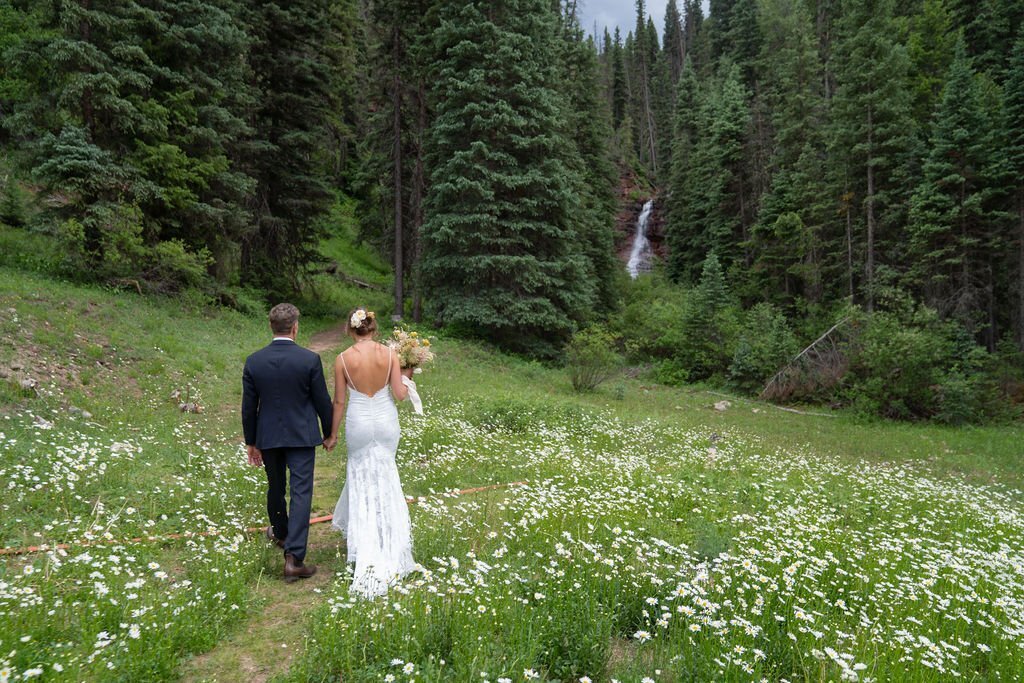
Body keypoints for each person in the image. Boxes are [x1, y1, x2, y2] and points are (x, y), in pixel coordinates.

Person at [326, 306, 418, 598]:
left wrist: (332, 434)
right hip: (386, 420)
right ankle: (390, 542)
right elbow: (400, 396)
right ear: (374, 329)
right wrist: (408, 374)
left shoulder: (342, 360)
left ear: (350, 330)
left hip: (360, 422)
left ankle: (365, 542)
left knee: (362, 476)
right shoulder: (390, 355)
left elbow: (339, 402)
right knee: (387, 474)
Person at [242, 303, 333, 582]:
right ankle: (293, 558)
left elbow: (249, 406)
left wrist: (251, 442)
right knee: (301, 491)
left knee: (276, 487)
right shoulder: (309, 360)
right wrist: (329, 432)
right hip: (301, 436)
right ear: (295, 327)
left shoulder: (254, 361)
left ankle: (281, 533)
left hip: (268, 437)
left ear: (271, 327)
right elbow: (322, 401)